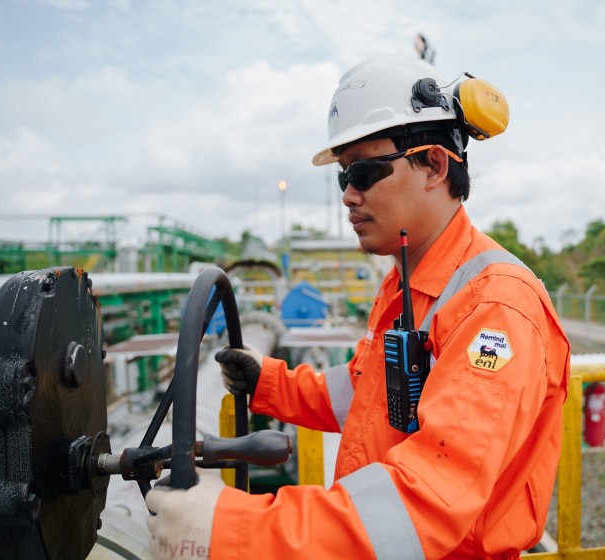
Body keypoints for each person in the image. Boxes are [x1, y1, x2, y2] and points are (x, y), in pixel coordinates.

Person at [146, 55, 570, 560]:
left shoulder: (496, 306)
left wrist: (231, 528)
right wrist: (270, 383)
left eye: (365, 172)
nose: (348, 195)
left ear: (434, 165)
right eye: (343, 175)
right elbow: (365, 396)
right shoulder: (407, 283)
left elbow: (427, 500)